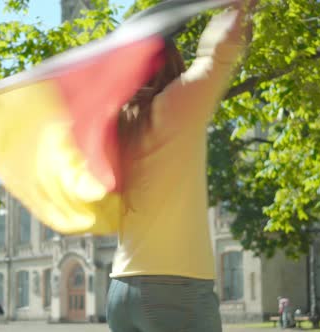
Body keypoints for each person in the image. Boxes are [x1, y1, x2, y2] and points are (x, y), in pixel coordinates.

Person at [106, 1, 255, 331]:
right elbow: (218, 55)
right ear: (172, 61)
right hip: (174, 290)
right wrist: (239, 9)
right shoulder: (175, 105)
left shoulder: (120, 127)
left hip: (121, 291)